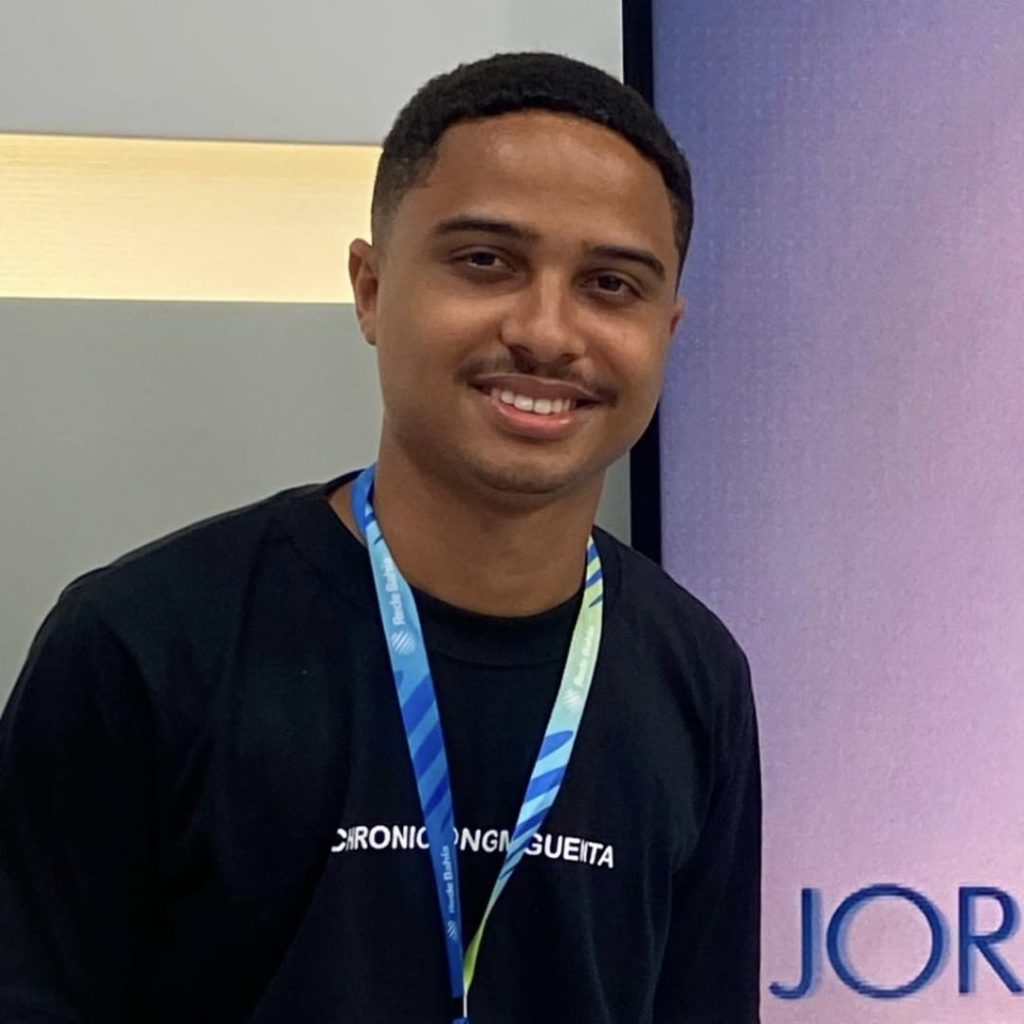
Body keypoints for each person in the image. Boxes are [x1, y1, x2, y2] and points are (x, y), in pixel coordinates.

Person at [0, 52, 760, 1023]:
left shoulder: (694, 674)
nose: (546, 331)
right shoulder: (142, 644)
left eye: (610, 284)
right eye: (486, 262)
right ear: (369, 286)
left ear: (667, 329)